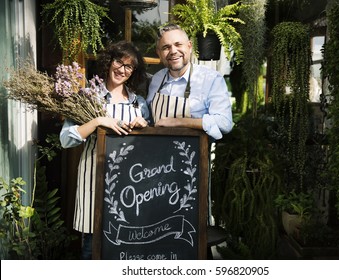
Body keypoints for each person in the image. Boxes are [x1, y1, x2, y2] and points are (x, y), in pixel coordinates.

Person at [60, 41, 150, 259]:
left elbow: (150, 149)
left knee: (126, 242)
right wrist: (98, 121)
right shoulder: (88, 97)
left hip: (130, 184)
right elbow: (65, 140)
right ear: (109, 62)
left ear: (133, 72)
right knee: (93, 243)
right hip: (94, 179)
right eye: (119, 61)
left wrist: (144, 127)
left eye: (129, 66)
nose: (122, 69)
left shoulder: (139, 103)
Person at [147, 23, 233, 140]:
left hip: (193, 155)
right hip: (157, 153)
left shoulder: (210, 79)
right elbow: (149, 118)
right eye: (166, 47)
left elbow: (224, 122)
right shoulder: (157, 79)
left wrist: (178, 122)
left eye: (178, 44)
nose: (173, 51)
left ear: (190, 46)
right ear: (159, 53)